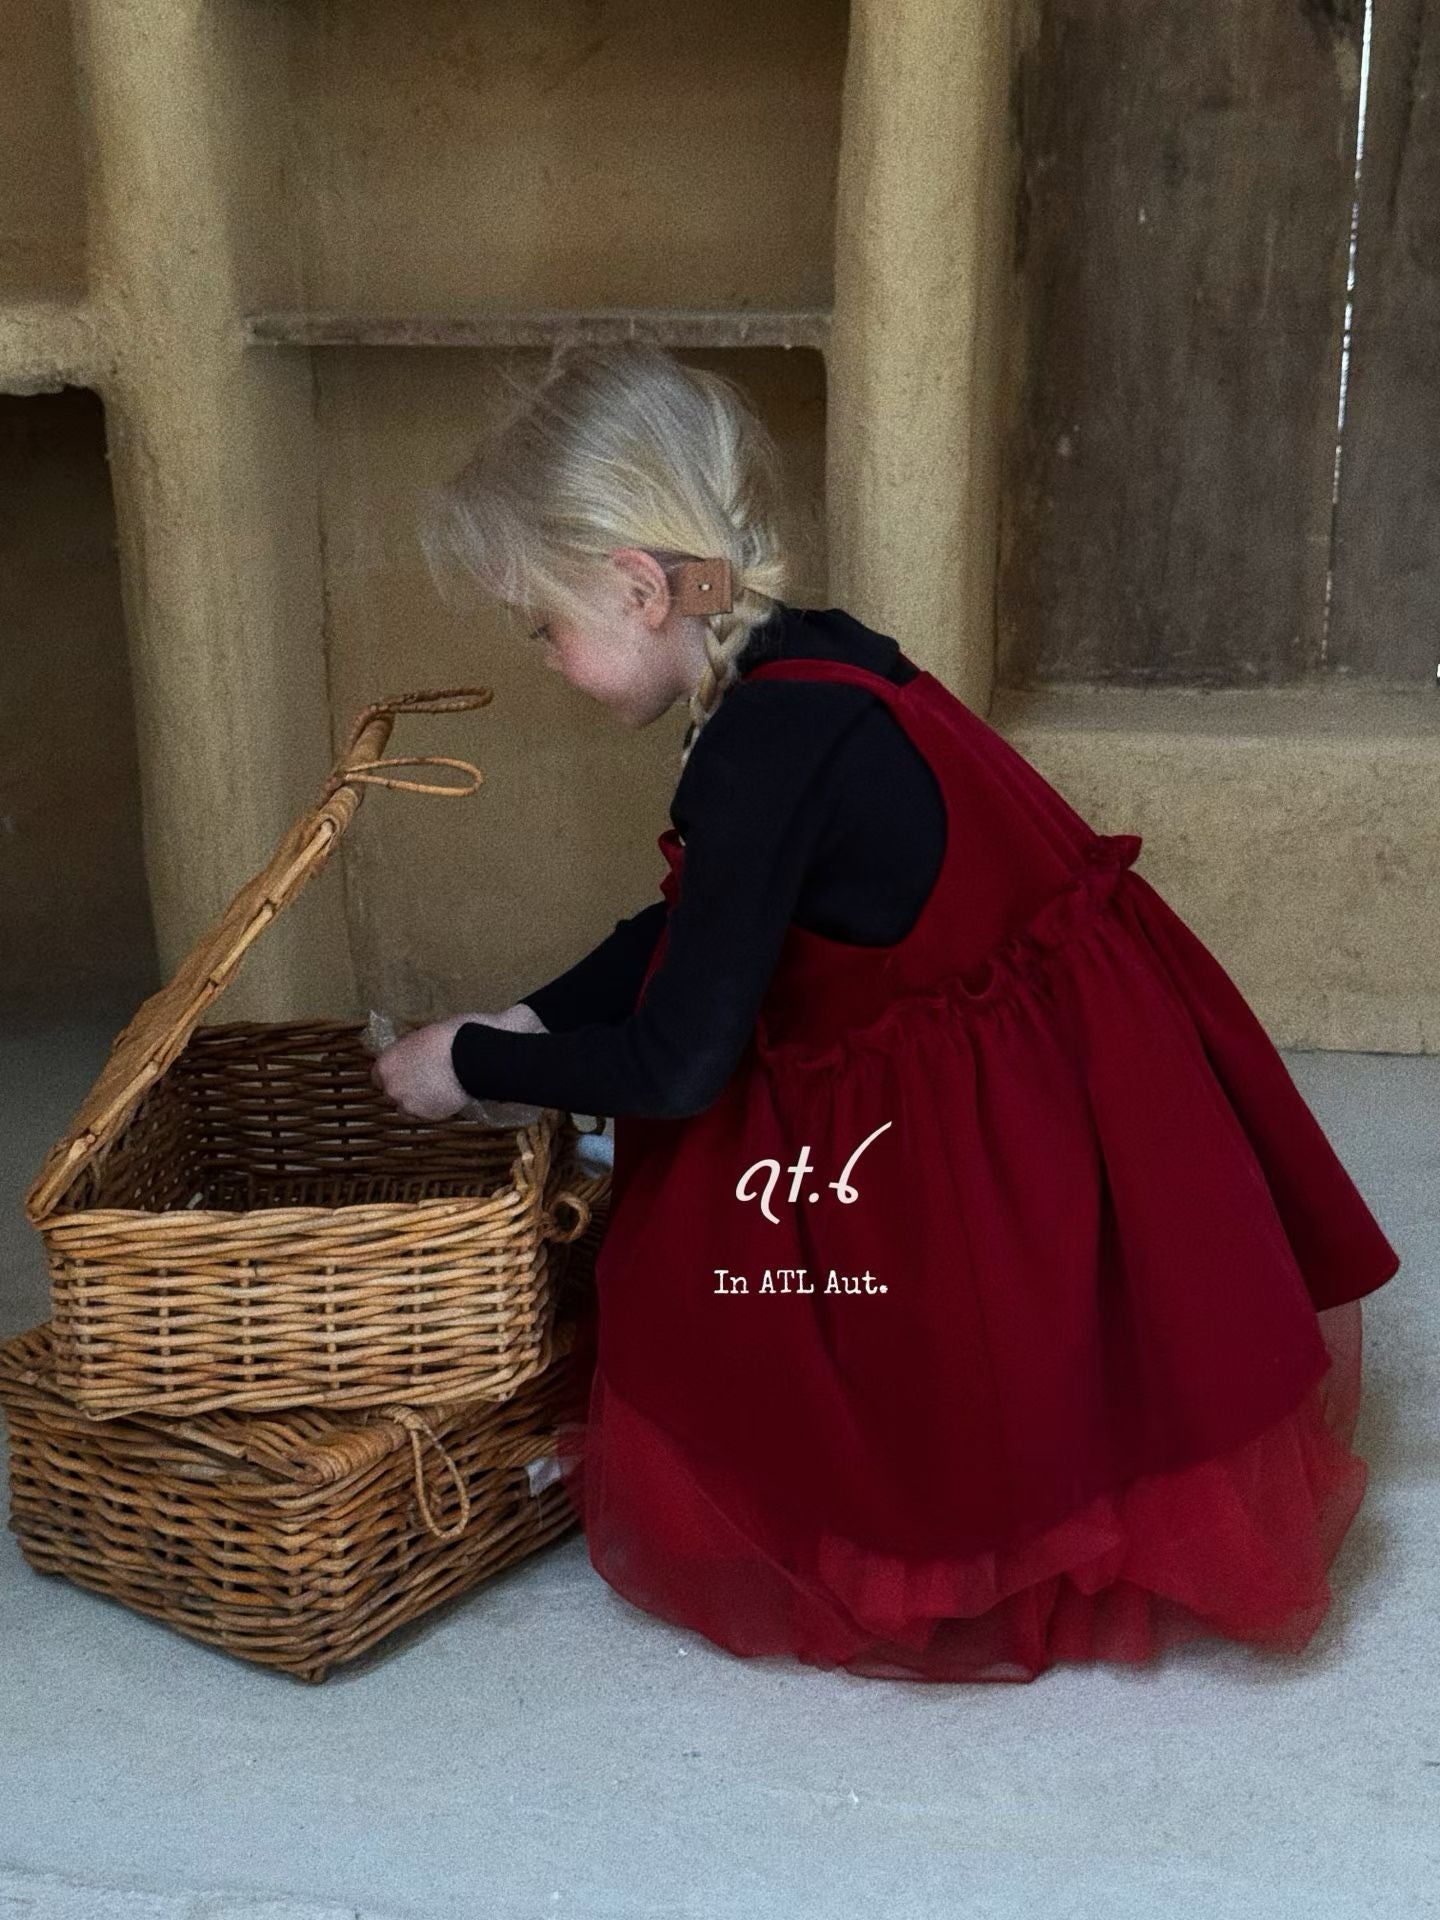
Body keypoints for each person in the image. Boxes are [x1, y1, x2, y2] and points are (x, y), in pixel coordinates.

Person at [372, 343, 1402, 1683]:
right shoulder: (807, 666)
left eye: (544, 628)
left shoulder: (754, 754)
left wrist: (480, 1061)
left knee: (706, 1209)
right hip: (1067, 1081)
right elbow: (693, 926)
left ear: (634, 587)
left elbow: (680, 1061)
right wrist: (524, 1011)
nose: (548, 663)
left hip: (985, 1138)